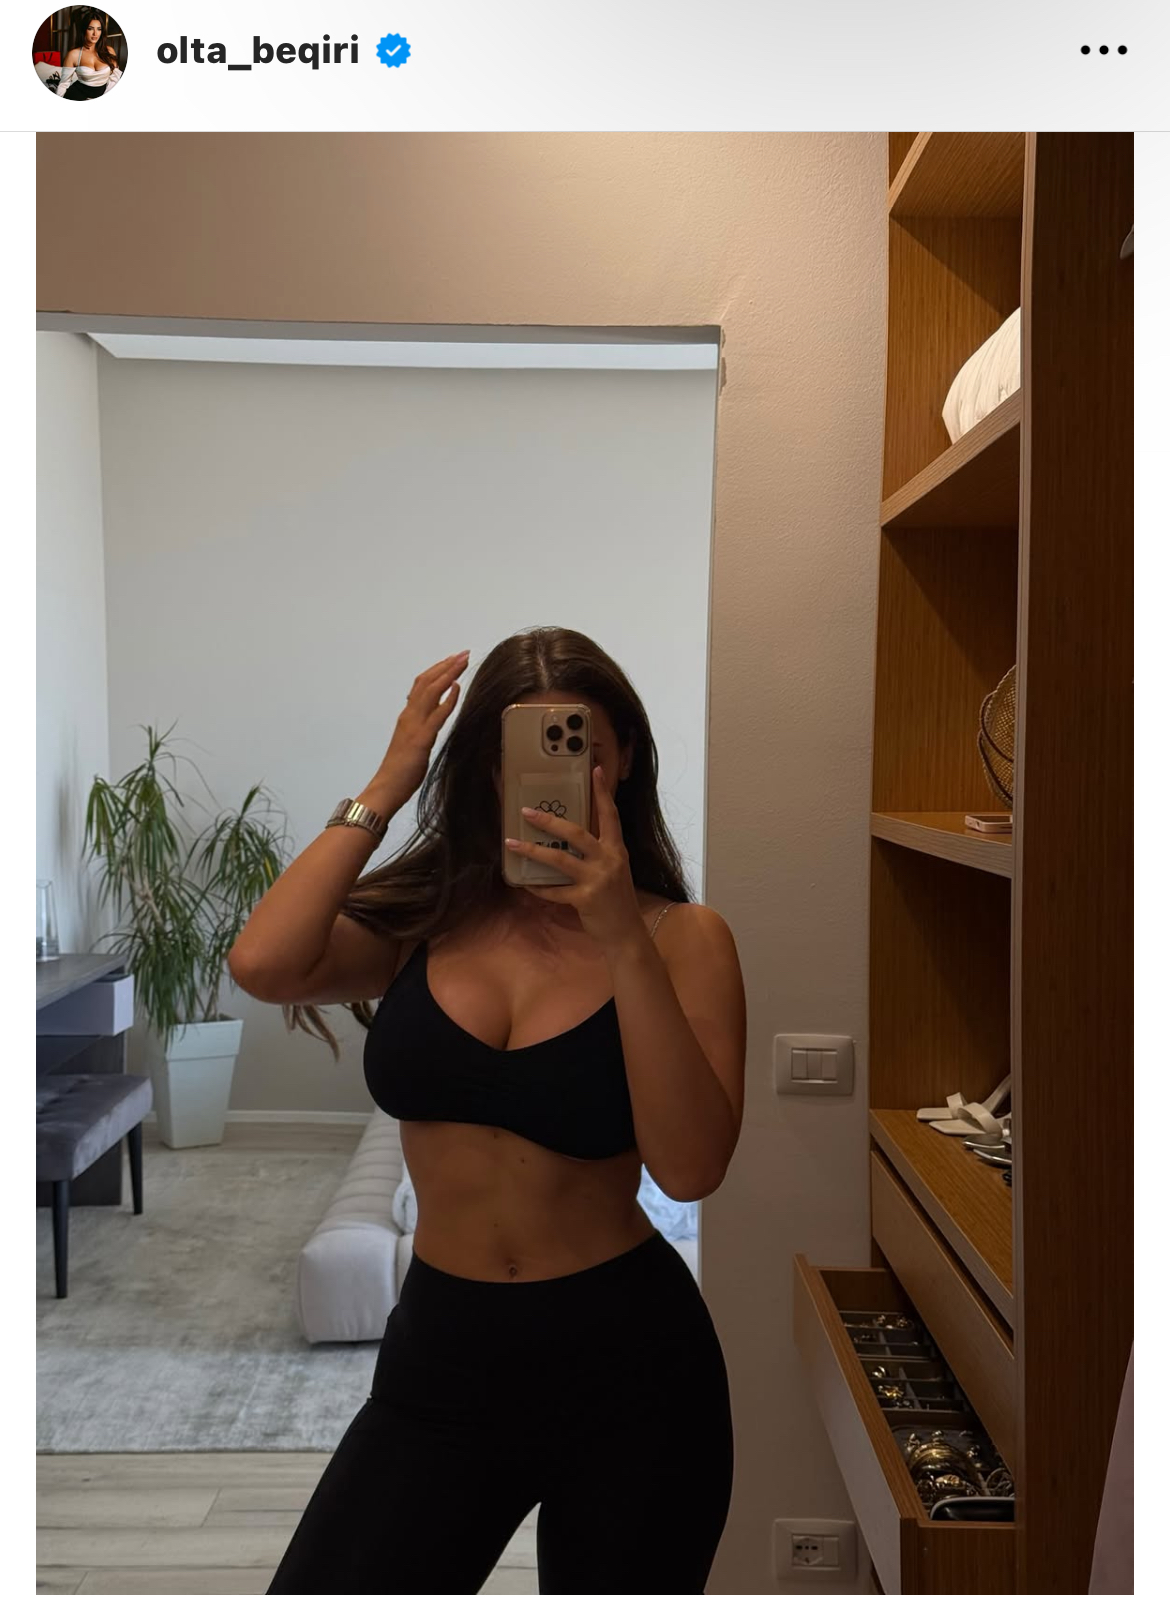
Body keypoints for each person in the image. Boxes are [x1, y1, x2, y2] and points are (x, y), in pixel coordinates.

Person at [229, 625, 747, 1595]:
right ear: (486, 768)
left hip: (632, 1368)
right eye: (529, 751)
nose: (559, 776)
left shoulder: (684, 939)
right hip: (443, 1358)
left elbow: (690, 1169)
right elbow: (264, 963)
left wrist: (619, 935)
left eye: (584, 747)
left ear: (625, 758)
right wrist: (389, 781)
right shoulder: (426, 921)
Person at [55, 11, 123, 99]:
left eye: (99, 29)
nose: (95, 33)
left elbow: (115, 79)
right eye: (90, 29)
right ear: (84, 30)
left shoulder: (109, 51)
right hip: (77, 96)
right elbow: (64, 83)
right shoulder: (73, 54)